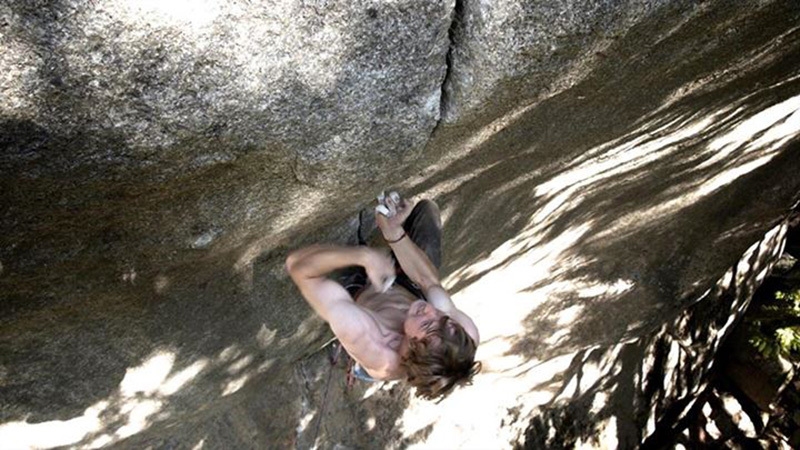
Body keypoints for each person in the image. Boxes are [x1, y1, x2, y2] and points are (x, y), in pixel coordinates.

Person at [285, 193, 480, 400]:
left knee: (341, 235)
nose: (430, 310)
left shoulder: (369, 339)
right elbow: (428, 282)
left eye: (426, 326)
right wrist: (394, 232)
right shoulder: (462, 335)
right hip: (407, 287)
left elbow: (297, 267)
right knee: (426, 211)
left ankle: (359, 369)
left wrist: (363, 256)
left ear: (409, 349)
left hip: (360, 292)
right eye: (442, 317)